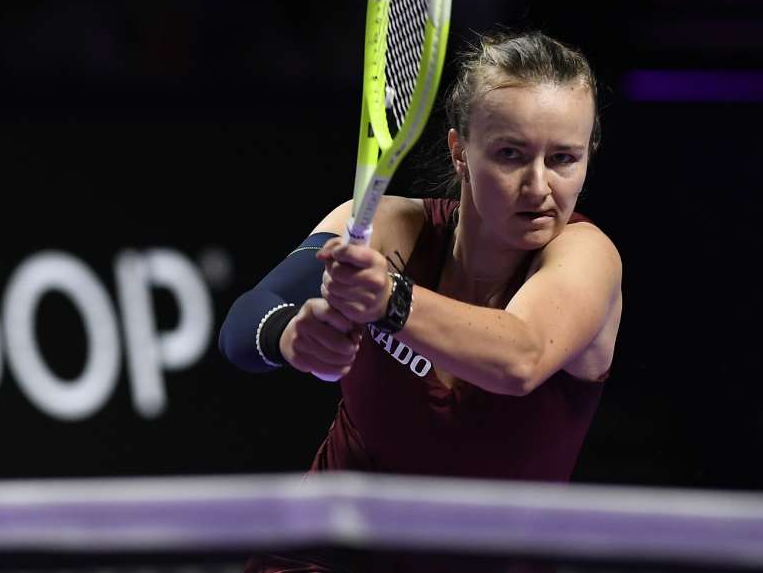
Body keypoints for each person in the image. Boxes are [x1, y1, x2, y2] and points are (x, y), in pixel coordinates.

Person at [219, 30, 622, 572]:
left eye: (564, 159)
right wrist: (291, 336)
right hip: (323, 555)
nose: (538, 186)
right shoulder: (389, 228)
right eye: (510, 154)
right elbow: (244, 326)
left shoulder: (587, 257)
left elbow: (520, 358)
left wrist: (390, 298)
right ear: (460, 152)